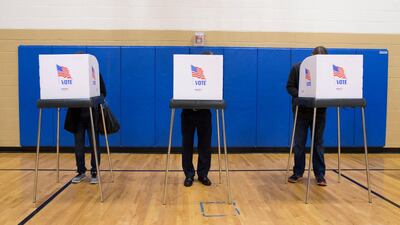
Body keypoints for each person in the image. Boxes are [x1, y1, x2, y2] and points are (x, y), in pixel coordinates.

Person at [286, 46, 328, 186]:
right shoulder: (297, 68)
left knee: (318, 143)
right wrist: (302, 94)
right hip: (302, 110)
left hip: (319, 111)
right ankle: (298, 172)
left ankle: (320, 175)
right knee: (299, 143)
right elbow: (289, 87)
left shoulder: (327, 72)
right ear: (311, 56)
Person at [64, 61, 107, 184]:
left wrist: (93, 100)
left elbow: (103, 93)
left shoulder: (95, 74)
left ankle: (94, 172)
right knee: (78, 145)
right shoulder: (70, 76)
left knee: (94, 145)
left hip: (92, 115)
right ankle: (81, 171)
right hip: (77, 116)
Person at [181, 51, 214, 187]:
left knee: (205, 145)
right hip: (188, 113)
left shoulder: (213, 76)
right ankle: (189, 175)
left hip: (205, 113)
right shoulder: (188, 72)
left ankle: (203, 174)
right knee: (187, 145)